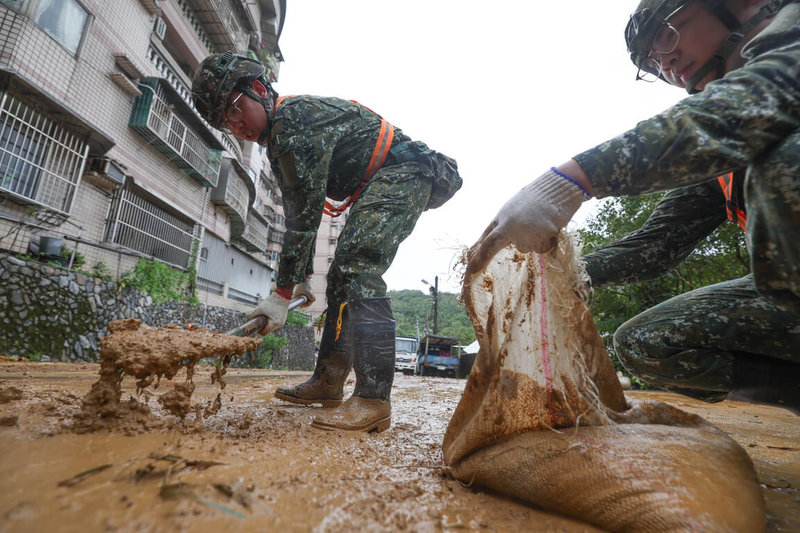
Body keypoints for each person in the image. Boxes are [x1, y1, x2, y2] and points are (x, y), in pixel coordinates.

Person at [470, 0, 800, 414]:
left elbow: (740, 110)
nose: (666, 62)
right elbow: (654, 246)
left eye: (667, 34)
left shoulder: (789, 40)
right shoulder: (725, 158)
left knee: (787, 157)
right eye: (653, 62)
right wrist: (561, 273)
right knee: (647, 341)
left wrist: (572, 181)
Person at [192, 52, 462, 432]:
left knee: (357, 267)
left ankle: (373, 399)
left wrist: (282, 294)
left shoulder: (294, 122)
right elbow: (297, 210)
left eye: (236, 110)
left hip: (409, 170)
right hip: (384, 177)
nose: (237, 125)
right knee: (341, 279)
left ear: (257, 89)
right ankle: (329, 381)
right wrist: (299, 276)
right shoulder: (279, 141)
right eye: (226, 122)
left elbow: (304, 217)